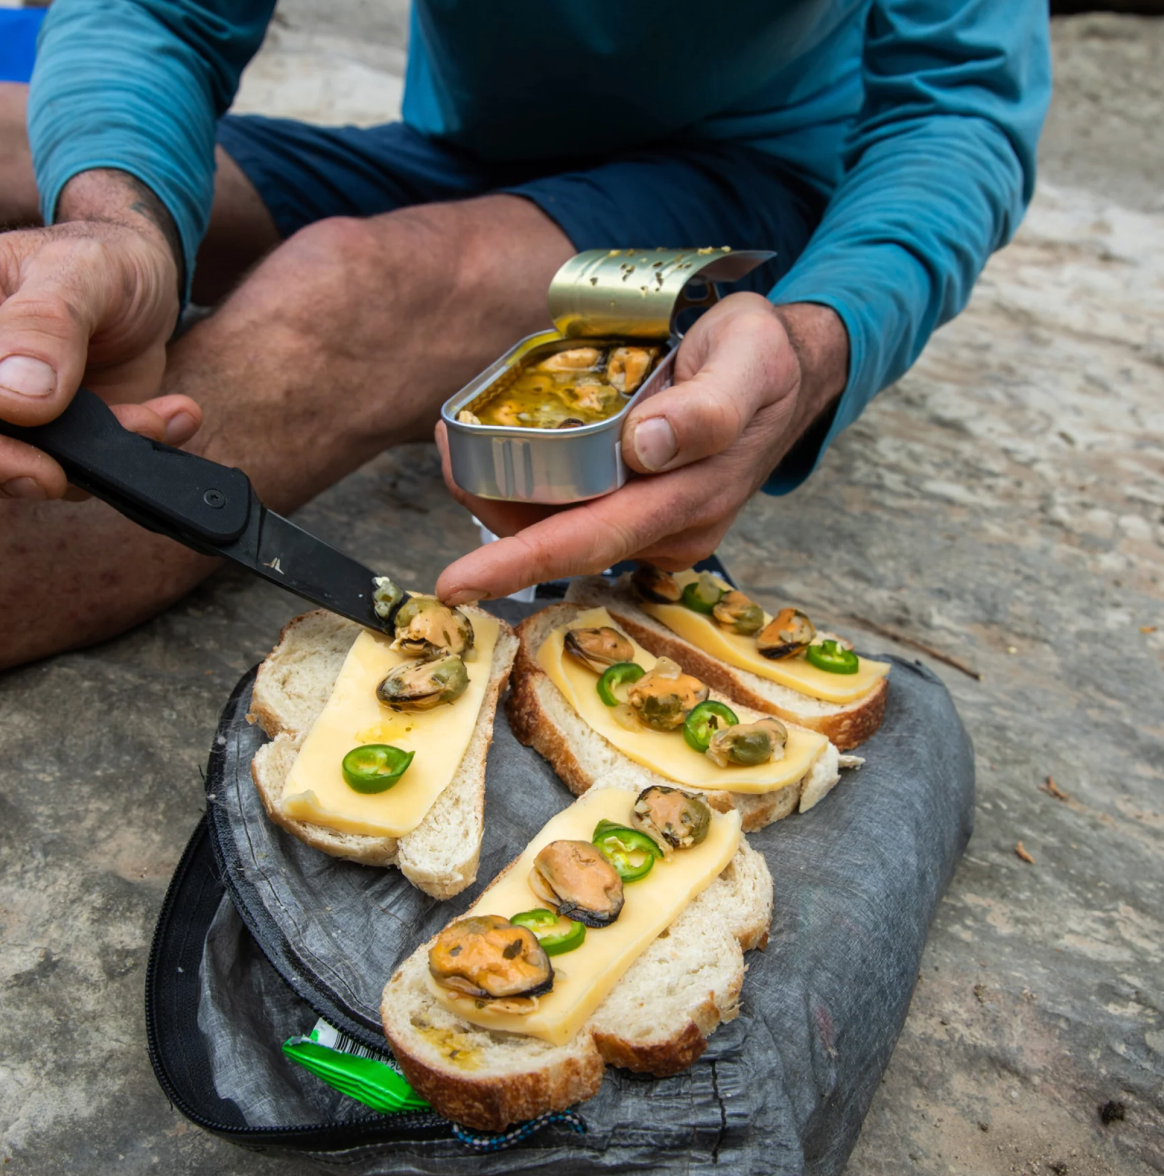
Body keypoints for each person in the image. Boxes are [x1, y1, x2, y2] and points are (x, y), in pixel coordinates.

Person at [0, 0, 1050, 670]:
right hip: (458, 155)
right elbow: (159, 12)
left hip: (732, 178)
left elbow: (956, 107)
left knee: (352, 291)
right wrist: (112, 229)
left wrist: (820, 340)